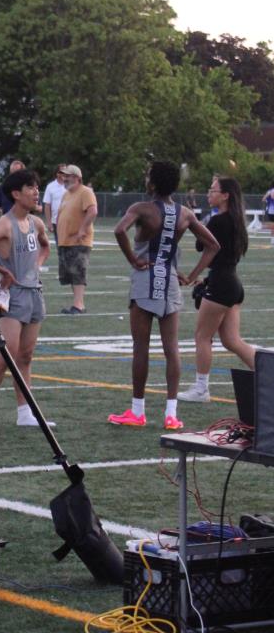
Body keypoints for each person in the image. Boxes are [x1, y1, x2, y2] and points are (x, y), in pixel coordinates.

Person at [108, 159, 218, 431]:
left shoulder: (141, 209)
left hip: (145, 279)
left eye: (149, 176)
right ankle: (171, 414)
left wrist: (133, 259)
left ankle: (137, 411)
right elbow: (213, 245)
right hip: (169, 281)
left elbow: (119, 230)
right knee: (172, 349)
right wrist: (191, 276)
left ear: (153, 183)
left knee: (141, 348)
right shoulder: (185, 214)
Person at [0, 169, 51, 429]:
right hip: (13, 296)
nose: (36, 192)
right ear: (16, 194)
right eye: (30, 187)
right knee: (8, 354)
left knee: (26, 356)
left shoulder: (36, 223)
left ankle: (25, 413)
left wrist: (36, 266)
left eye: (37, 187)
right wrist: (2, 271)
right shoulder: (5, 223)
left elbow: (45, 245)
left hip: (34, 293)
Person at [178, 176, 256, 404]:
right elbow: (225, 258)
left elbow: (204, 249)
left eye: (213, 190)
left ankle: (201, 389)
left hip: (221, 285)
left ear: (225, 196)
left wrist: (193, 276)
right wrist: (207, 278)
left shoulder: (218, 221)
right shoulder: (236, 220)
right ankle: (267, 375)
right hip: (232, 283)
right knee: (232, 340)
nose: (208, 194)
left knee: (202, 337)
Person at [55, 164, 97, 314]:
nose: (64, 178)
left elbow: (92, 211)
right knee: (71, 274)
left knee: (78, 272)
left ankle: (78, 305)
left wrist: (82, 229)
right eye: (63, 175)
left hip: (79, 240)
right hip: (66, 240)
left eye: (67, 176)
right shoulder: (66, 194)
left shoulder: (85, 192)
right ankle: (78, 304)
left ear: (77, 178)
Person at [42, 167, 67, 248]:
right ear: (57, 173)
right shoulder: (50, 186)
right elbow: (47, 205)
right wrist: (49, 223)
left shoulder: (71, 185)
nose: (64, 174)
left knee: (70, 246)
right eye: (61, 172)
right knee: (60, 246)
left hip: (69, 221)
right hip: (56, 221)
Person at [263, 178, 274, 246]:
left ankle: (272, 239)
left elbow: (263, 199)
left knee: (273, 225)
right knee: (273, 225)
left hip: (270, 211)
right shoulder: (271, 191)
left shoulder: (269, 191)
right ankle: (272, 239)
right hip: (272, 210)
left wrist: (268, 200)